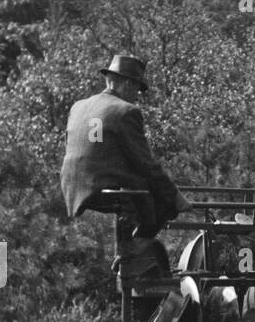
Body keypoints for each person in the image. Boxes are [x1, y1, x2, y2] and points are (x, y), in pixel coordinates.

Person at [60, 54, 189, 237]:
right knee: (164, 201)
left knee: (140, 186)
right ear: (128, 85)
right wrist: (176, 196)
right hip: (101, 187)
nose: (137, 97)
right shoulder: (126, 111)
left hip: (72, 186)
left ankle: (129, 246)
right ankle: (134, 250)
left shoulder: (78, 106)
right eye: (137, 90)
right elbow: (145, 164)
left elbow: (94, 146)